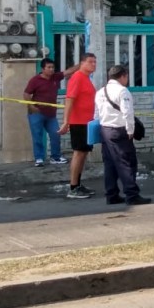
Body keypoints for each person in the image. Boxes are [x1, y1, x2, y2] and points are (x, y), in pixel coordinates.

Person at [94, 65, 152, 206]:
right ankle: (132, 195)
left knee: (110, 164)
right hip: (119, 131)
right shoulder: (122, 91)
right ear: (123, 76)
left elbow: (96, 113)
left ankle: (111, 194)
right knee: (127, 163)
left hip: (105, 130)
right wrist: (130, 131)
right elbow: (127, 113)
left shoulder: (100, 91)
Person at [23, 58, 78, 166]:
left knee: (55, 134)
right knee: (37, 136)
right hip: (36, 113)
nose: (51, 69)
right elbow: (26, 94)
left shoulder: (55, 77)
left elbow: (68, 72)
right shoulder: (35, 80)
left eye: (52, 67)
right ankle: (39, 158)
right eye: (48, 67)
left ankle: (55, 157)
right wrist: (31, 106)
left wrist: (82, 64)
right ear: (43, 69)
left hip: (51, 114)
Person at [58, 53, 98, 199]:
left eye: (94, 62)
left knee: (83, 153)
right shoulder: (77, 77)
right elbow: (69, 100)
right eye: (90, 62)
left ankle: (78, 184)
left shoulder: (86, 78)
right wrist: (66, 121)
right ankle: (73, 187)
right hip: (78, 122)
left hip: (87, 122)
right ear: (82, 63)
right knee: (78, 153)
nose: (93, 64)